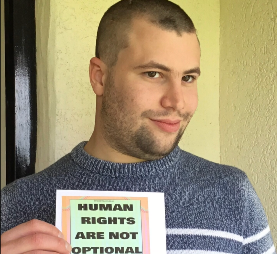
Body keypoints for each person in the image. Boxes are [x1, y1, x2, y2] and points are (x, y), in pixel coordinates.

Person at [1, 0, 276, 253]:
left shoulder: (232, 193)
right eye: (153, 74)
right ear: (99, 77)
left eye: (188, 78)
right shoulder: (15, 206)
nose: (176, 102)